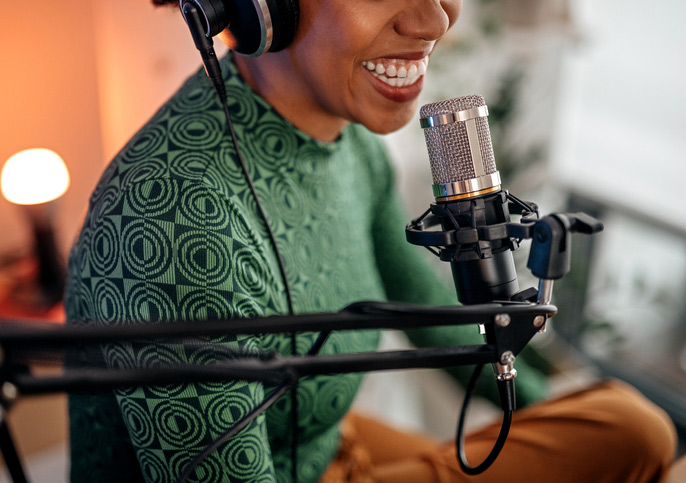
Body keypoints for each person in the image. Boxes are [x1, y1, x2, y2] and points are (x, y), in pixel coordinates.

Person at [64, 0, 677, 481]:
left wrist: (549, 410)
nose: (436, 19)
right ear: (263, 6)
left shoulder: (350, 143)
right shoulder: (175, 220)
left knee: (617, 427)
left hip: (333, 449)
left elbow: (431, 315)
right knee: (635, 432)